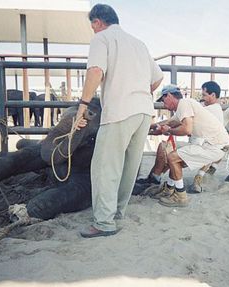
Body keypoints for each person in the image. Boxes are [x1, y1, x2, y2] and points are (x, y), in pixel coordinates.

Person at [75, 4, 163, 238]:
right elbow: (158, 78)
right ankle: (116, 214)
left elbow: (95, 71)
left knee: (105, 167)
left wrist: (82, 106)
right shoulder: (138, 43)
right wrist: (138, 90)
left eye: (92, 26)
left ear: (97, 22)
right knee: (128, 166)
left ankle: (103, 222)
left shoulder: (101, 38)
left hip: (119, 111)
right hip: (143, 111)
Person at [139, 84, 229, 207]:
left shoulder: (185, 103)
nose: (163, 104)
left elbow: (186, 129)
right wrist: (147, 128)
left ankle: (181, 196)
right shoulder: (183, 108)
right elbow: (168, 122)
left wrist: (168, 131)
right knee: (176, 160)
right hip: (213, 145)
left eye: (164, 99)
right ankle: (170, 189)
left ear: (169, 95)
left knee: (172, 157)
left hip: (214, 146)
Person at [190, 81, 224, 193]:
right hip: (201, 140)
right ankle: (205, 173)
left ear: (213, 95)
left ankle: (201, 176)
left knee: (217, 148)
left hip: (205, 142)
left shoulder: (214, 109)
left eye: (204, 95)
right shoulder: (208, 107)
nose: (203, 97)